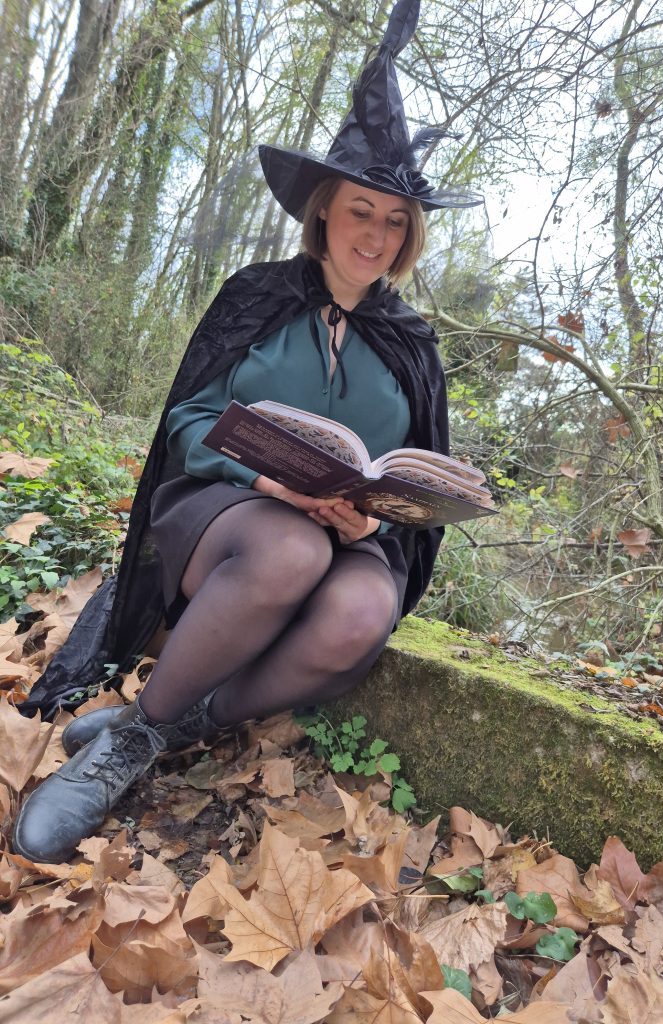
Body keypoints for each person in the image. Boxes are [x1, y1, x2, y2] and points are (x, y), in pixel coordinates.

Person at [13, 0, 480, 864]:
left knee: (362, 613)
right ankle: (124, 748)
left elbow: (423, 479)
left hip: (351, 536)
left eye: (393, 221)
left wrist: (378, 519)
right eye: (359, 211)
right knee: (287, 552)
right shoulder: (255, 297)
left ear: (408, 235)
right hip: (229, 511)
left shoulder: (413, 343)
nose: (374, 235)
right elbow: (188, 418)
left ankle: (175, 724)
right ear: (323, 212)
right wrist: (268, 478)